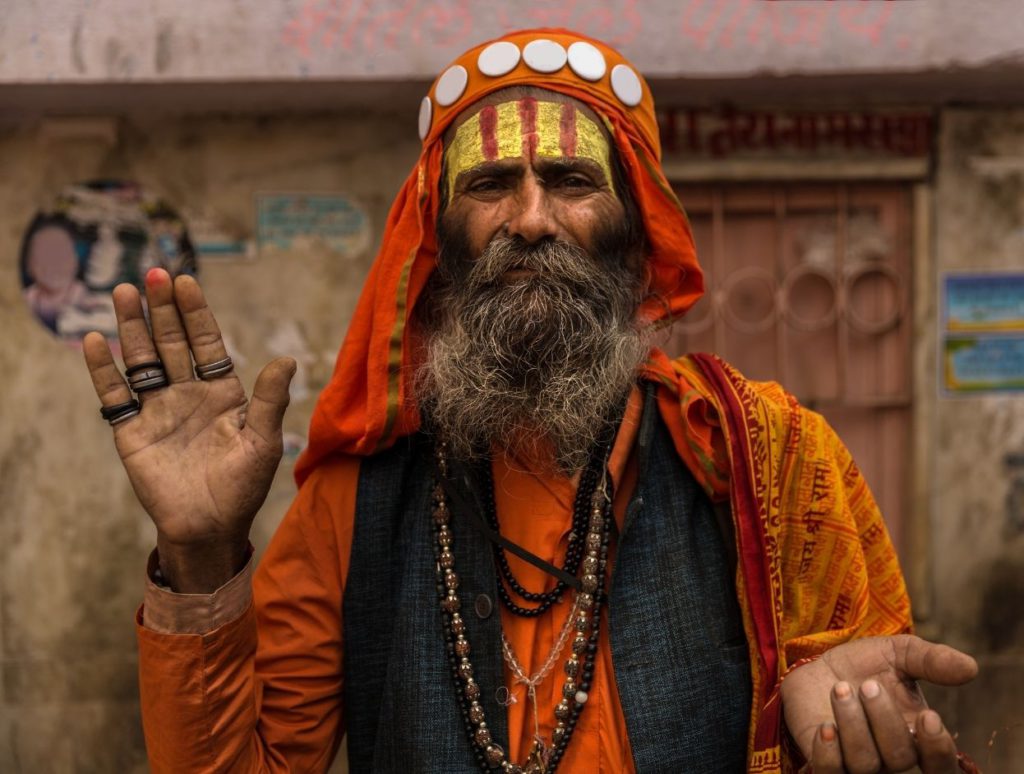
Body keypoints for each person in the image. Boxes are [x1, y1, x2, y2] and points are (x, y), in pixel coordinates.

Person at [83, 29, 980, 774]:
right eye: (488, 184)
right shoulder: (353, 502)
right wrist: (198, 557)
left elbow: (857, 722)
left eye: (571, 180)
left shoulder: (760, 459)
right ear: (441, 238)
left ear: (634, 232)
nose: (531, 218)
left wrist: (852, 739)